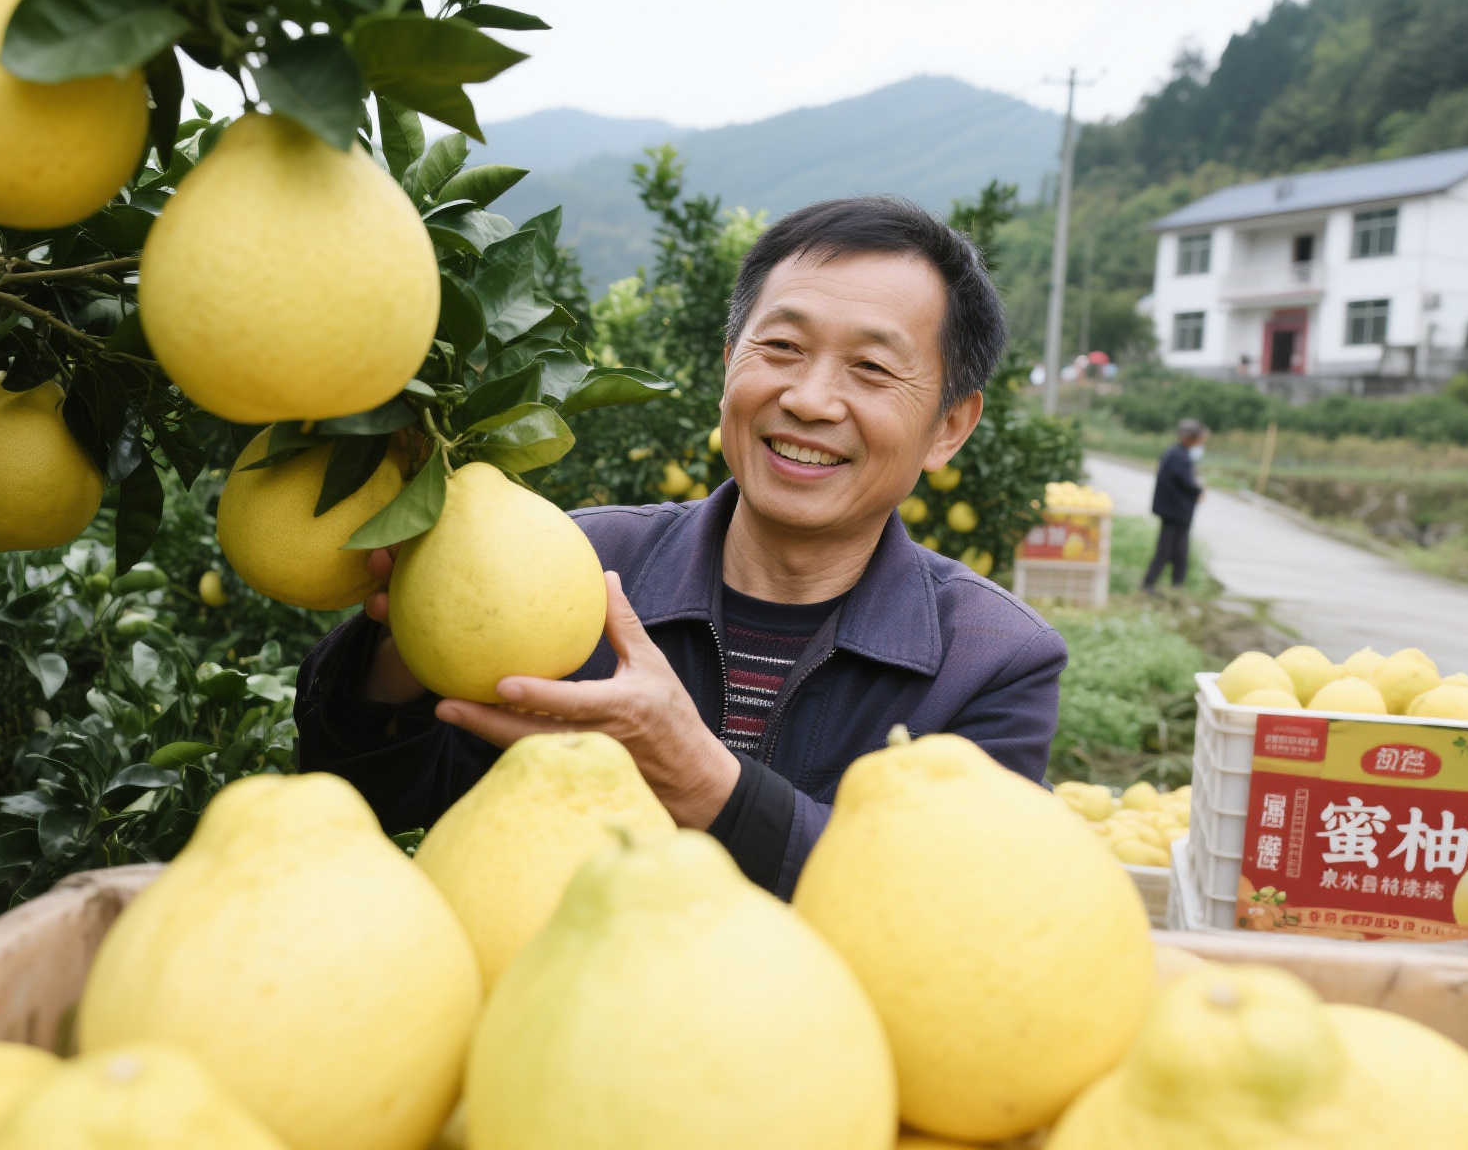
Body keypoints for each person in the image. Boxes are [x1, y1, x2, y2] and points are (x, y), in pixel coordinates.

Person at [295, 197, 1067, 899]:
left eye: (870, 367)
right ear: (731, 357)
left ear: (950, 426)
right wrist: (397, 661)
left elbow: (960, 911)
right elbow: (384, 799)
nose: (808, 399)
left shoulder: (992, 661)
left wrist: (703, 780)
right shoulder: (576, 570)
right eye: (784, 347)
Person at [1143, 418, 1207, 593]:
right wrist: (1198, 490)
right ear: (1190, 438)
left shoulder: (1177, 454)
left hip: (1177, 512)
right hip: (1174, 512)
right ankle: (1150, 585)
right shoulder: (1179, 456)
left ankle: (1176, 585)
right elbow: (1187, 483)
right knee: (1167, 550)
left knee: (1179, 550)